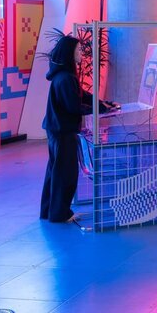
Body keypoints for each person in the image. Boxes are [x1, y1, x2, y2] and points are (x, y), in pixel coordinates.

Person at [40, 34, 116, 223]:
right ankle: (59, 214)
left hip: (57, 129)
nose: (81, 53)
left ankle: (50, 210)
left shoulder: (65, 76)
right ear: (69, 52)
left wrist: (102, 104)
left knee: (56, 171)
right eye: (78, 50)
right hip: (62, 130)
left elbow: (81, 95)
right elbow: (74, 106)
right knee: (65, 173)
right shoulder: (66, 78)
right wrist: (99, 110)